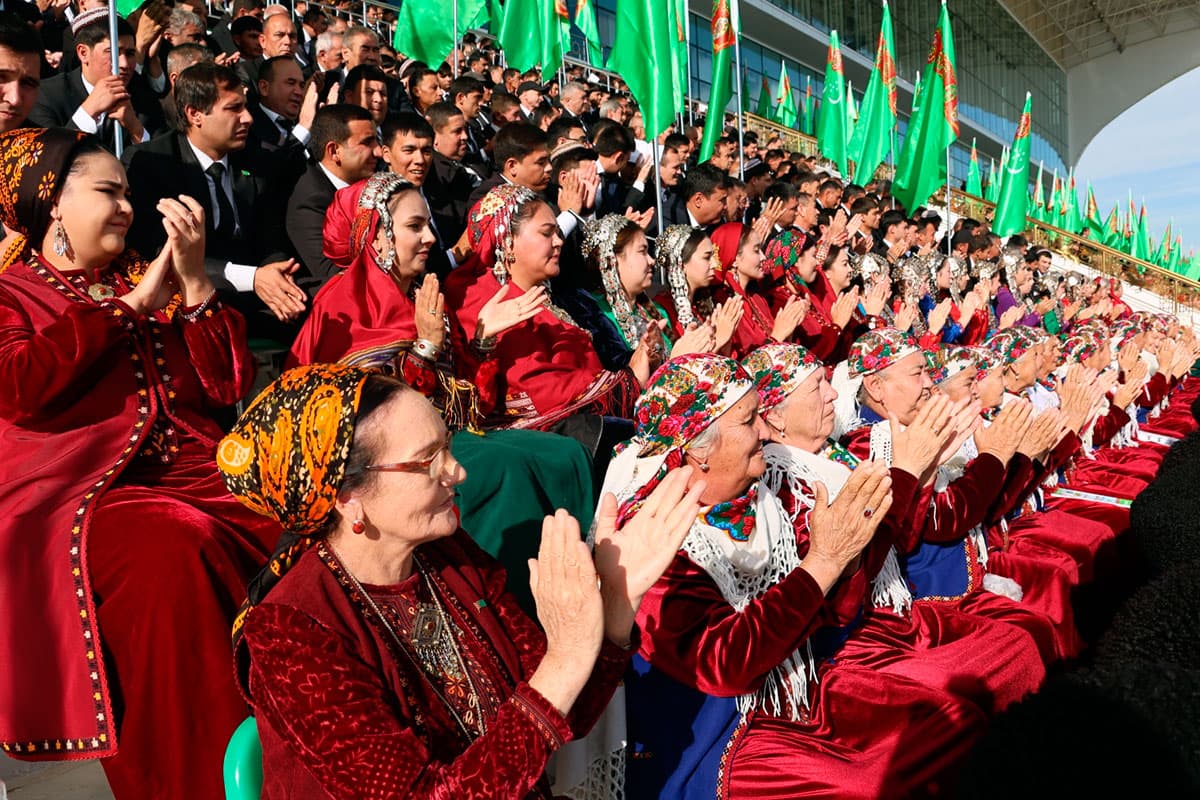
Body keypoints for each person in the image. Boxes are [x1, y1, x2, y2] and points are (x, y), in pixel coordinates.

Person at [220, 363, 706, 798]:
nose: (457, 471)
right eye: (426, 460)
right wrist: (566, 657)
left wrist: (618, 602)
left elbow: (564, 716)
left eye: (447, 446)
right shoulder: (289, 632)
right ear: (349, 499)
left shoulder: (448, 554)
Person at [0, 128, 278, 799]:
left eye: (128, 192)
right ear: (54, 202)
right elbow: (19, 384)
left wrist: (195, 282)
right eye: (108, 191)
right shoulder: (12, 293)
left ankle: (316, 742)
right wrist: (126, 311)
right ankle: (204, 778)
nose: (127, 207)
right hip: (83, 493)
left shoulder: (144, 276)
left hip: (198, 473)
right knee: (174, 548)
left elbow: (226, 385)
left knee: (307, 522)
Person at [605, 353, 985, 798]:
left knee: (950, 719)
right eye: (749, 420)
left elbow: (837, 609)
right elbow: (724, 665)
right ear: (699, 450)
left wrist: (840, 559)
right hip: (713, 732)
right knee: (870, 782)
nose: (765, 431)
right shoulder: (654, 533)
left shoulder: (764, 490)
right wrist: (826, 562)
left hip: (800, 684)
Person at [446, 185, 650, 447]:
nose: (558, 241)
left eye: (557, 233)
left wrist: (641, 358)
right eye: (546, 233)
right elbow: (536, 390)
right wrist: (629, 381)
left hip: (579, 424)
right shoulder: (477, 295)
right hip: (532, 443)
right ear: (508, 242)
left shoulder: (556, 295)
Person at [122, 62, 299, 333]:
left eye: (245, 107)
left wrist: (276, 273)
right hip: (186, 304)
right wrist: (253, 278)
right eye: (233, 108)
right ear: (195, 114)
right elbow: (160, 251)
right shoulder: (154, 162)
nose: (248, 118)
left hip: (259, 300)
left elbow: (271, 234)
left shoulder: (256, 161)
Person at [29, 12, 162, 151]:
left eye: (130, 54)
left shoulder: (144, 96)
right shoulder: (47, 96)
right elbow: (46, 156)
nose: (124, 64)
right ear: (83, 53)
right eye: (113, 52)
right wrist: (88, 112)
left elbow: (163, 157)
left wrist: (136, 130)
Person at [285, 103, 381, 294]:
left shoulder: (372, 186)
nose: (378, 151)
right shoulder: (310, 200)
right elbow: (332, 274)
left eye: (376, 141)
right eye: (367, 142)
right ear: (334, 151)